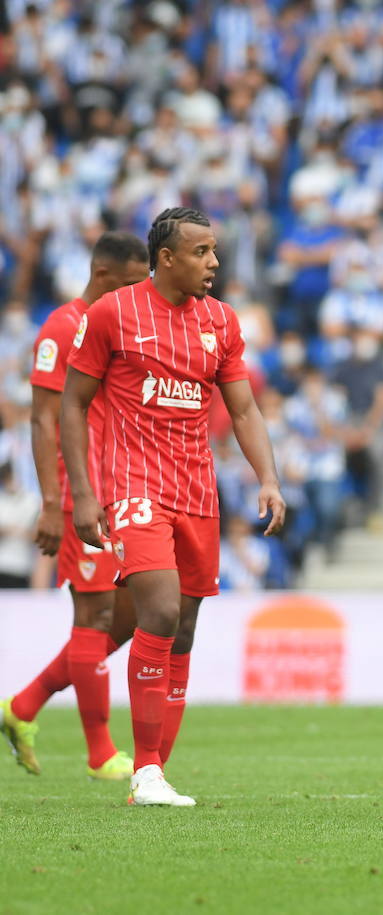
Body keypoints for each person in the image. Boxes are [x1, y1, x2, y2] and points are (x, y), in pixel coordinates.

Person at [61, 208, 286, 807]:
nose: (214, 262)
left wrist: (268, 478)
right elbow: (72, 403)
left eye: (215, 251)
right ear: (167, 258)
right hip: (134, 486)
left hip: (197, 492)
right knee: (158, 610)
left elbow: (243, 409)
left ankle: (155, 770)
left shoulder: (220, 320)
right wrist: (82, 493)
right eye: (201, 252)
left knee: (183, 627)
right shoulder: (113, 313)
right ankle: (145, 772)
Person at [1, 232, 148, 781]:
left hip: (120, 489)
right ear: (103, 275)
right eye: (130, 283)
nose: (137, 293)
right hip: (77, 492)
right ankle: (100, 753)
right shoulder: (63, 328)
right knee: (95, 616)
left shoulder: (120, 325)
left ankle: (22, 707)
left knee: (137, 615)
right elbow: (43, 420)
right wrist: (51, 503)